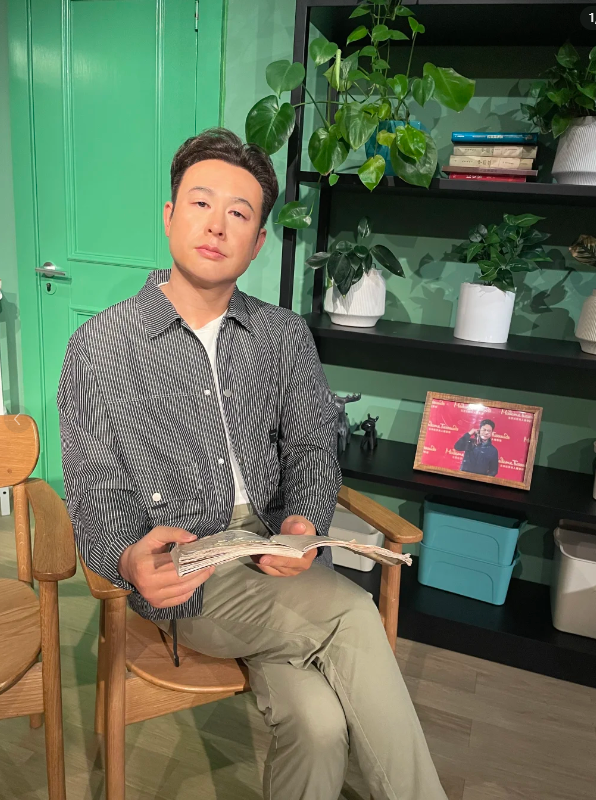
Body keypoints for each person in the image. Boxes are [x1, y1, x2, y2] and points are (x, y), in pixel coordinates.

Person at [57, 128, 447, 800]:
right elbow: (94, 489)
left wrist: (303, 521)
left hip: (277, 562)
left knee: (318, 722)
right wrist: (125, 558)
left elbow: (312, 445)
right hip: (191, 574)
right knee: (353, 616)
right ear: (169, 215)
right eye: (200, 203)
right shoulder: (97, 347)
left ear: (259, 240)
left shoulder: (282, 334)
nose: (216, 225)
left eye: (238, 213)